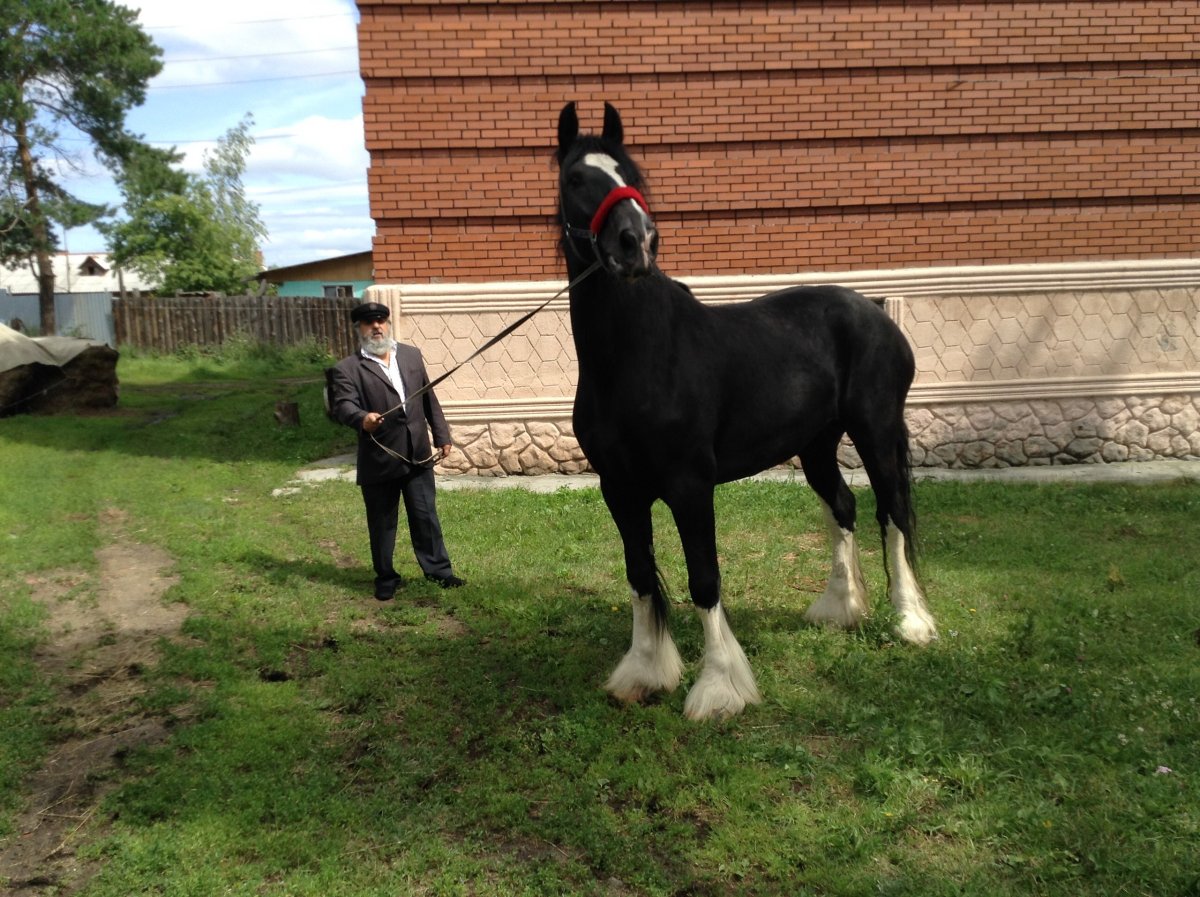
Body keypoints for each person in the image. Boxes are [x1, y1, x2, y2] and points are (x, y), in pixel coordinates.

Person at [329, 301, 465, 599]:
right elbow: (343, 406)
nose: (377, 326)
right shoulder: (347, 369)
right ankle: (386, 576)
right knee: (382, 522)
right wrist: (362, 419)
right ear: (359, 329)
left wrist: (442, 435)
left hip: (416, 453)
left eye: (381, 321)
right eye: (369, 322)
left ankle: (439, 572)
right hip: (380, 458)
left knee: (425, 515)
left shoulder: (411, 355)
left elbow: (429, 398)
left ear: (388, 324)